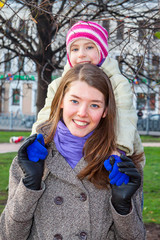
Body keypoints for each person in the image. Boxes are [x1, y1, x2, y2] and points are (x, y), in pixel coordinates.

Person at [0, 64, 146, 239]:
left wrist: (123, 208)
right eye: (75, 101)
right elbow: (8, 235)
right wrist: (30, 186)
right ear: (61, 100)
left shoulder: (120, 168)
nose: (82, 113)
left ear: (105, 111)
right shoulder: (31, 159)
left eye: (94, 105)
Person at [31, 20, 145, 168]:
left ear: (102, 51)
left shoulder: (117, 82)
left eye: (89, 47)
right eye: (75, 49)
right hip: (71, 149)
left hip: (112, 147)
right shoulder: (59, 84)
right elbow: (46, 114)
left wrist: (119, 148)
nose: (81, 55)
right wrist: (35, 139)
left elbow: (124, 117)